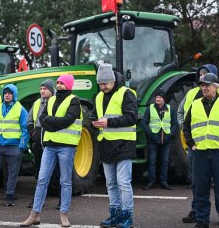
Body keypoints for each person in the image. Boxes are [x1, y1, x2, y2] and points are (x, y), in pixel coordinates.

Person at [20, 74, 82, 227]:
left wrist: (51, 124)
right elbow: (42, 118)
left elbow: (68, 120)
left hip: (66, 146)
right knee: (42, 180)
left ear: (68, 85)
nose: (59, 85)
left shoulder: (74, 100)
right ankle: (35, 214)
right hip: (49, 146)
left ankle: (64, 215)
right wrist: (53, 124)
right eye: (58, 83)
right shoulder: (51, 99)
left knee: (65, 181)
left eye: (62, 83)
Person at [183, 73, 219, 228]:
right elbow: (186, 126)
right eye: (202, 85)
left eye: (207, 85)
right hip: (199, 152)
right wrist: (191, 143)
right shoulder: (195, 104)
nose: (204, 88)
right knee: (200, 189)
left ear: (216, 87)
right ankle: (202, 220)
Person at [92, 63, 137, 228]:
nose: (103, 87)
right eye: (100, 84)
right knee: (110, 183)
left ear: (113, 81)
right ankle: (115, 215)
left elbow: (132, 117)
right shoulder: (98, 97)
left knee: (123, 182)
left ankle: (127, 216)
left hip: (124, 144)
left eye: (105, 83)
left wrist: (108, 122)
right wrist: (94, 122)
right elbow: (94, 115)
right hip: (106, 145)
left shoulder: (127, 94)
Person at [26, 79, 55, 208]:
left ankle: (61, 199)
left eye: (45, 89)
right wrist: (33, 133)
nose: (42, 91)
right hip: (39, 141)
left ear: (52, 91)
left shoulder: (56, 103)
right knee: (39, 172)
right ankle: (38, 200)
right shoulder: (37, 103)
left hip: (53, 141)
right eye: (41, 89)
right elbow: (29, 120)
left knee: (57, 171)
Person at [141, 89, 177, 190]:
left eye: (160, 97)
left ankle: (163, 182)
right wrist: (151, 135)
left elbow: (175, 124)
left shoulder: (171, 109)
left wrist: (169, 135)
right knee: (152, 161)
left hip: (166, 139)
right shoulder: (150, 108)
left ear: (164, 99)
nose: (158, 99)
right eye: (156, 97)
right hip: (153, 139)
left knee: (165, 161)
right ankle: (151, 181)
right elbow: (144, 123)